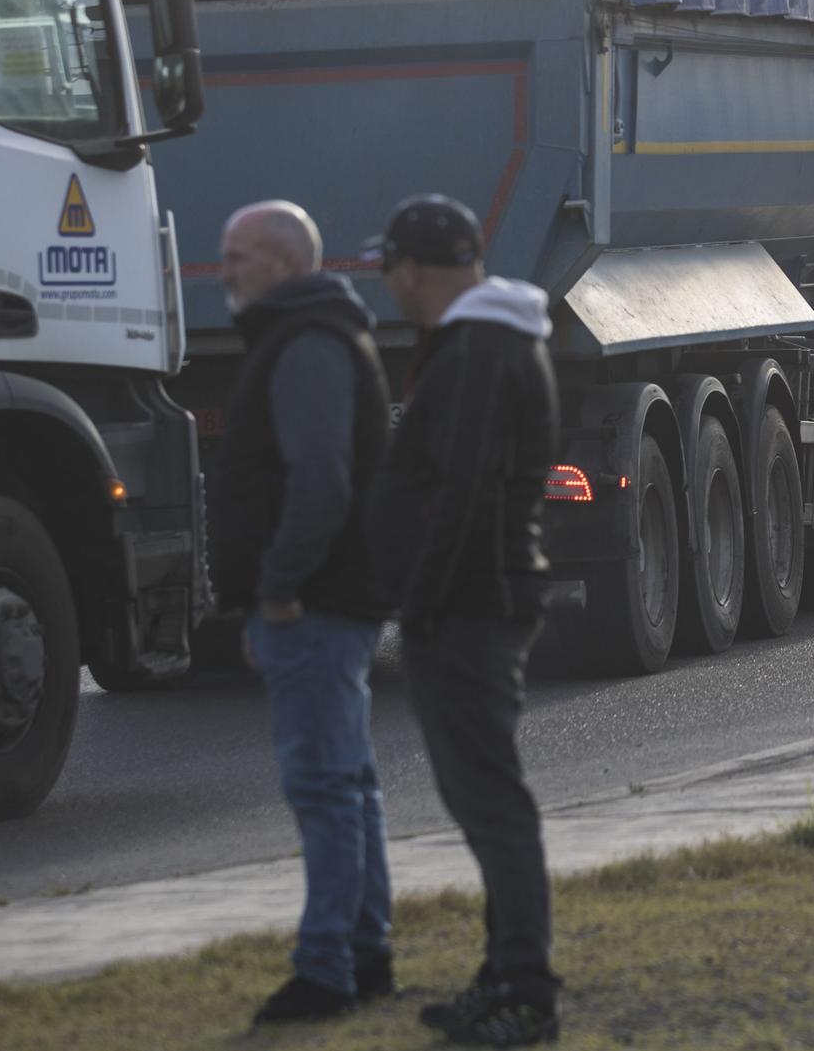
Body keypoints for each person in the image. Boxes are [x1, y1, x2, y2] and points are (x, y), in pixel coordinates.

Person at [367, 194, 564, 1047]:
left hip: (472, 604)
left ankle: (525, 987)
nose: (389, 286)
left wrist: (421, 603)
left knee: (492, 802)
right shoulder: (480, 342)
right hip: (473, 598)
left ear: (415, 270)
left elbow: (467, 490)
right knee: (484, 799)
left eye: (392, 270)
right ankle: (503, 971)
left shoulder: (481, 349)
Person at [211, 200, 397, 1025]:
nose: (226, 271)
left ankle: (325, 969)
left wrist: (278, 585)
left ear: (285, 263)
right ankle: (366, 953)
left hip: (315, 600)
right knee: (349, 782)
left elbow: (319, 478)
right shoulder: (311, 335)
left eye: (239, 256)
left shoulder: (308, 344)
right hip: (327, 596)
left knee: (324, 786)